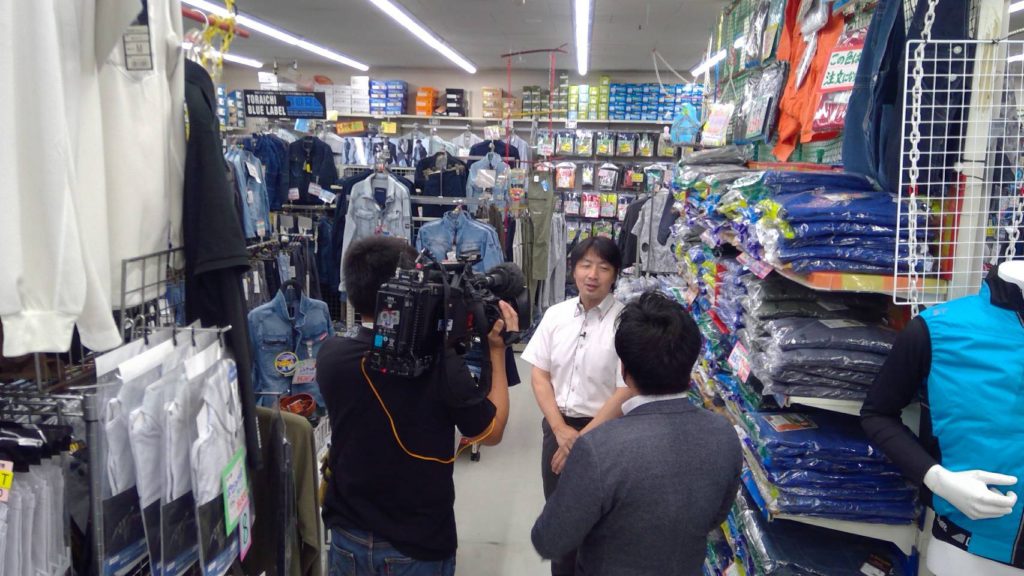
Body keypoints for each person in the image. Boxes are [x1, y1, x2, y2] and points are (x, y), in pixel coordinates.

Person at [316, 236, 518, 576]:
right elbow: (491, 432)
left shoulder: (330, 355)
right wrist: (497, 351)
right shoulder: (442, 367)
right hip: (417, 543)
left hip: (347, 535)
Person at [531, 291, 743, 576]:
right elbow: (716, 515)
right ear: (690, 363)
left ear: (624, 369)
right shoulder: (724, 434)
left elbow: (550, 540)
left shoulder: (599, 448)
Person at [521, 236, 634, 576]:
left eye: (603, 267)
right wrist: (559, 429)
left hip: (606, 434)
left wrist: (580, 441)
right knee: (561, 518)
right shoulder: (556, 316)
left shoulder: (626, 323)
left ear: (615, 274)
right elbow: (540, 375)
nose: (593, 275)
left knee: (602, 523)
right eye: (585, 265)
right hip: (558, 429)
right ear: (573, 270)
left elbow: (625, 390)